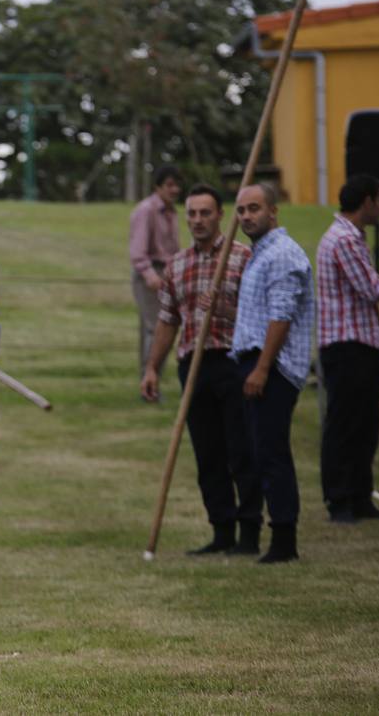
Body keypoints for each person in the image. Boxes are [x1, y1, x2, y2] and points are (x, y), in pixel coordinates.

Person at [140, 185, 261, 555]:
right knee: (208, 454)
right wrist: (152, 369)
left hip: (234, 361)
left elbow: (261, 318)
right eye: (191, 214)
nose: (197, 220)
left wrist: (226, 311)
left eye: (205, 213)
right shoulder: (177, 264)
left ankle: (249, 534)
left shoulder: (243, 257)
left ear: (220, 215)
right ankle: (221, 531)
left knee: (241, 450)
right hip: (193, 365)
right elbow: (166, 321)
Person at [230, 183, 314, 564]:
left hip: (274, 367)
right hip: (254, 361)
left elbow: (280, 316)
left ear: (273, 211)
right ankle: (277, 534)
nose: (246, 216)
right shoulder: (258, 254)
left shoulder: (281, 254)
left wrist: (262, 368)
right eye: (241, 210)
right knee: (260, 451)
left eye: (254, 209)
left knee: (272, 452)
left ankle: (284, 540)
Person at [316, 174, 379, 523]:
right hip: (346, 345)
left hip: (361, 341)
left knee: (365, 423)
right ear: (366, 202)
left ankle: (360, 496)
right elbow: (371, 287)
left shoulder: (351, 237)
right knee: (345, 423)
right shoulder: (344, 240)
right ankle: (340, 497)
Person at [131, 165, 183, 379]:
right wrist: (149, 275)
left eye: (177, 185)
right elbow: (138, 250)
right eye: (169, 185)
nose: (174, 190)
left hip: (168, 272)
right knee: (157, 329)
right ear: (158, 187)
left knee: (155, 328)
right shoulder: (146, 210)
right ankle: (151, 379)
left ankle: (149, 378)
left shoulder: (171, 211)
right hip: (150, 274)